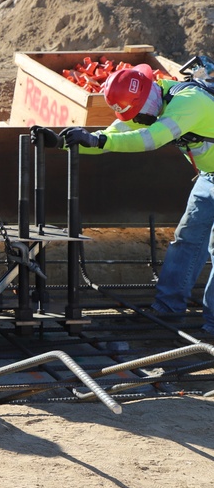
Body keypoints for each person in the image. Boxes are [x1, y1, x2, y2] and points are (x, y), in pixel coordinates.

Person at [37, 63, 214, 336]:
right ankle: (168, 310)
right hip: (209, 175)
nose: (138, 120)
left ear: (146, 98)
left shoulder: (190, 102)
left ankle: (212, 325)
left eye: (138, 115)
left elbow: (150, 138)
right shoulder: (148, 102)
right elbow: (109, 137)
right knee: (188, 239)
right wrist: (63, 143)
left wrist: (99, 142)